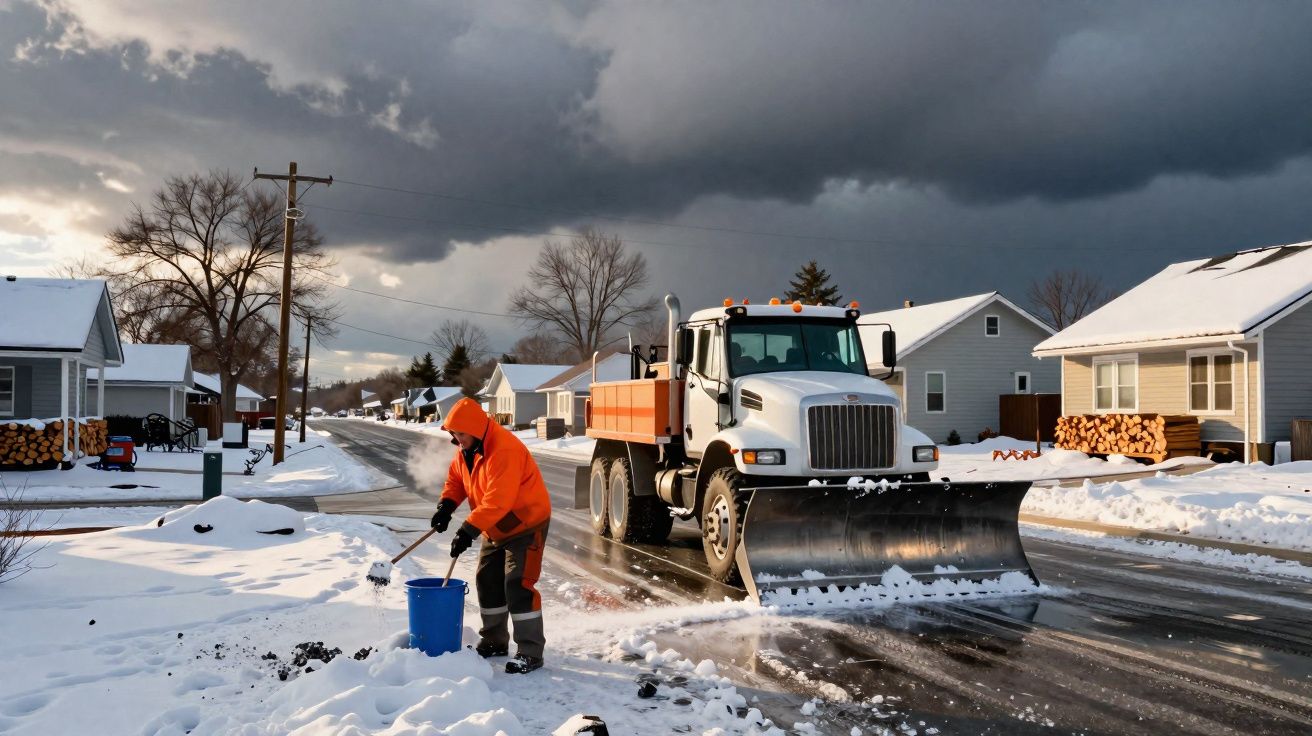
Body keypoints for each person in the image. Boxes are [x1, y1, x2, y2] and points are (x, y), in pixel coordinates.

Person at [430, 398, 552, 674]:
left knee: (518, 582)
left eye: (460, 433)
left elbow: (499, 501)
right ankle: (495, 640)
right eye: (454, 434)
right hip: (494, 526)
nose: (457, 439)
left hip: (526, 523)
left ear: (474, 428)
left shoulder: (504, 449)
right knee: (487, 579)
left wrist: (467, 530)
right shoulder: (466, 450)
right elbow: (456, 481)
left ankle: (530, 651)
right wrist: (446, 506)